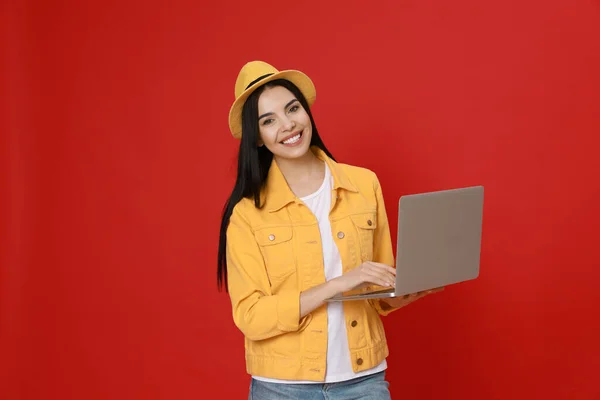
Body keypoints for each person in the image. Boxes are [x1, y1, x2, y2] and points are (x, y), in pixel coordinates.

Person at [217, 61, 442, 399]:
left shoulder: (363, 185)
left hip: (363, 380)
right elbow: (251, 316)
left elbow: (378, 294)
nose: (288, 124)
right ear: (258, 139)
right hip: (282, 387)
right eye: (269, 120)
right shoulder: (248, 214)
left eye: (292, 108)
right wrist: (337, 284)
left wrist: (410, 288)